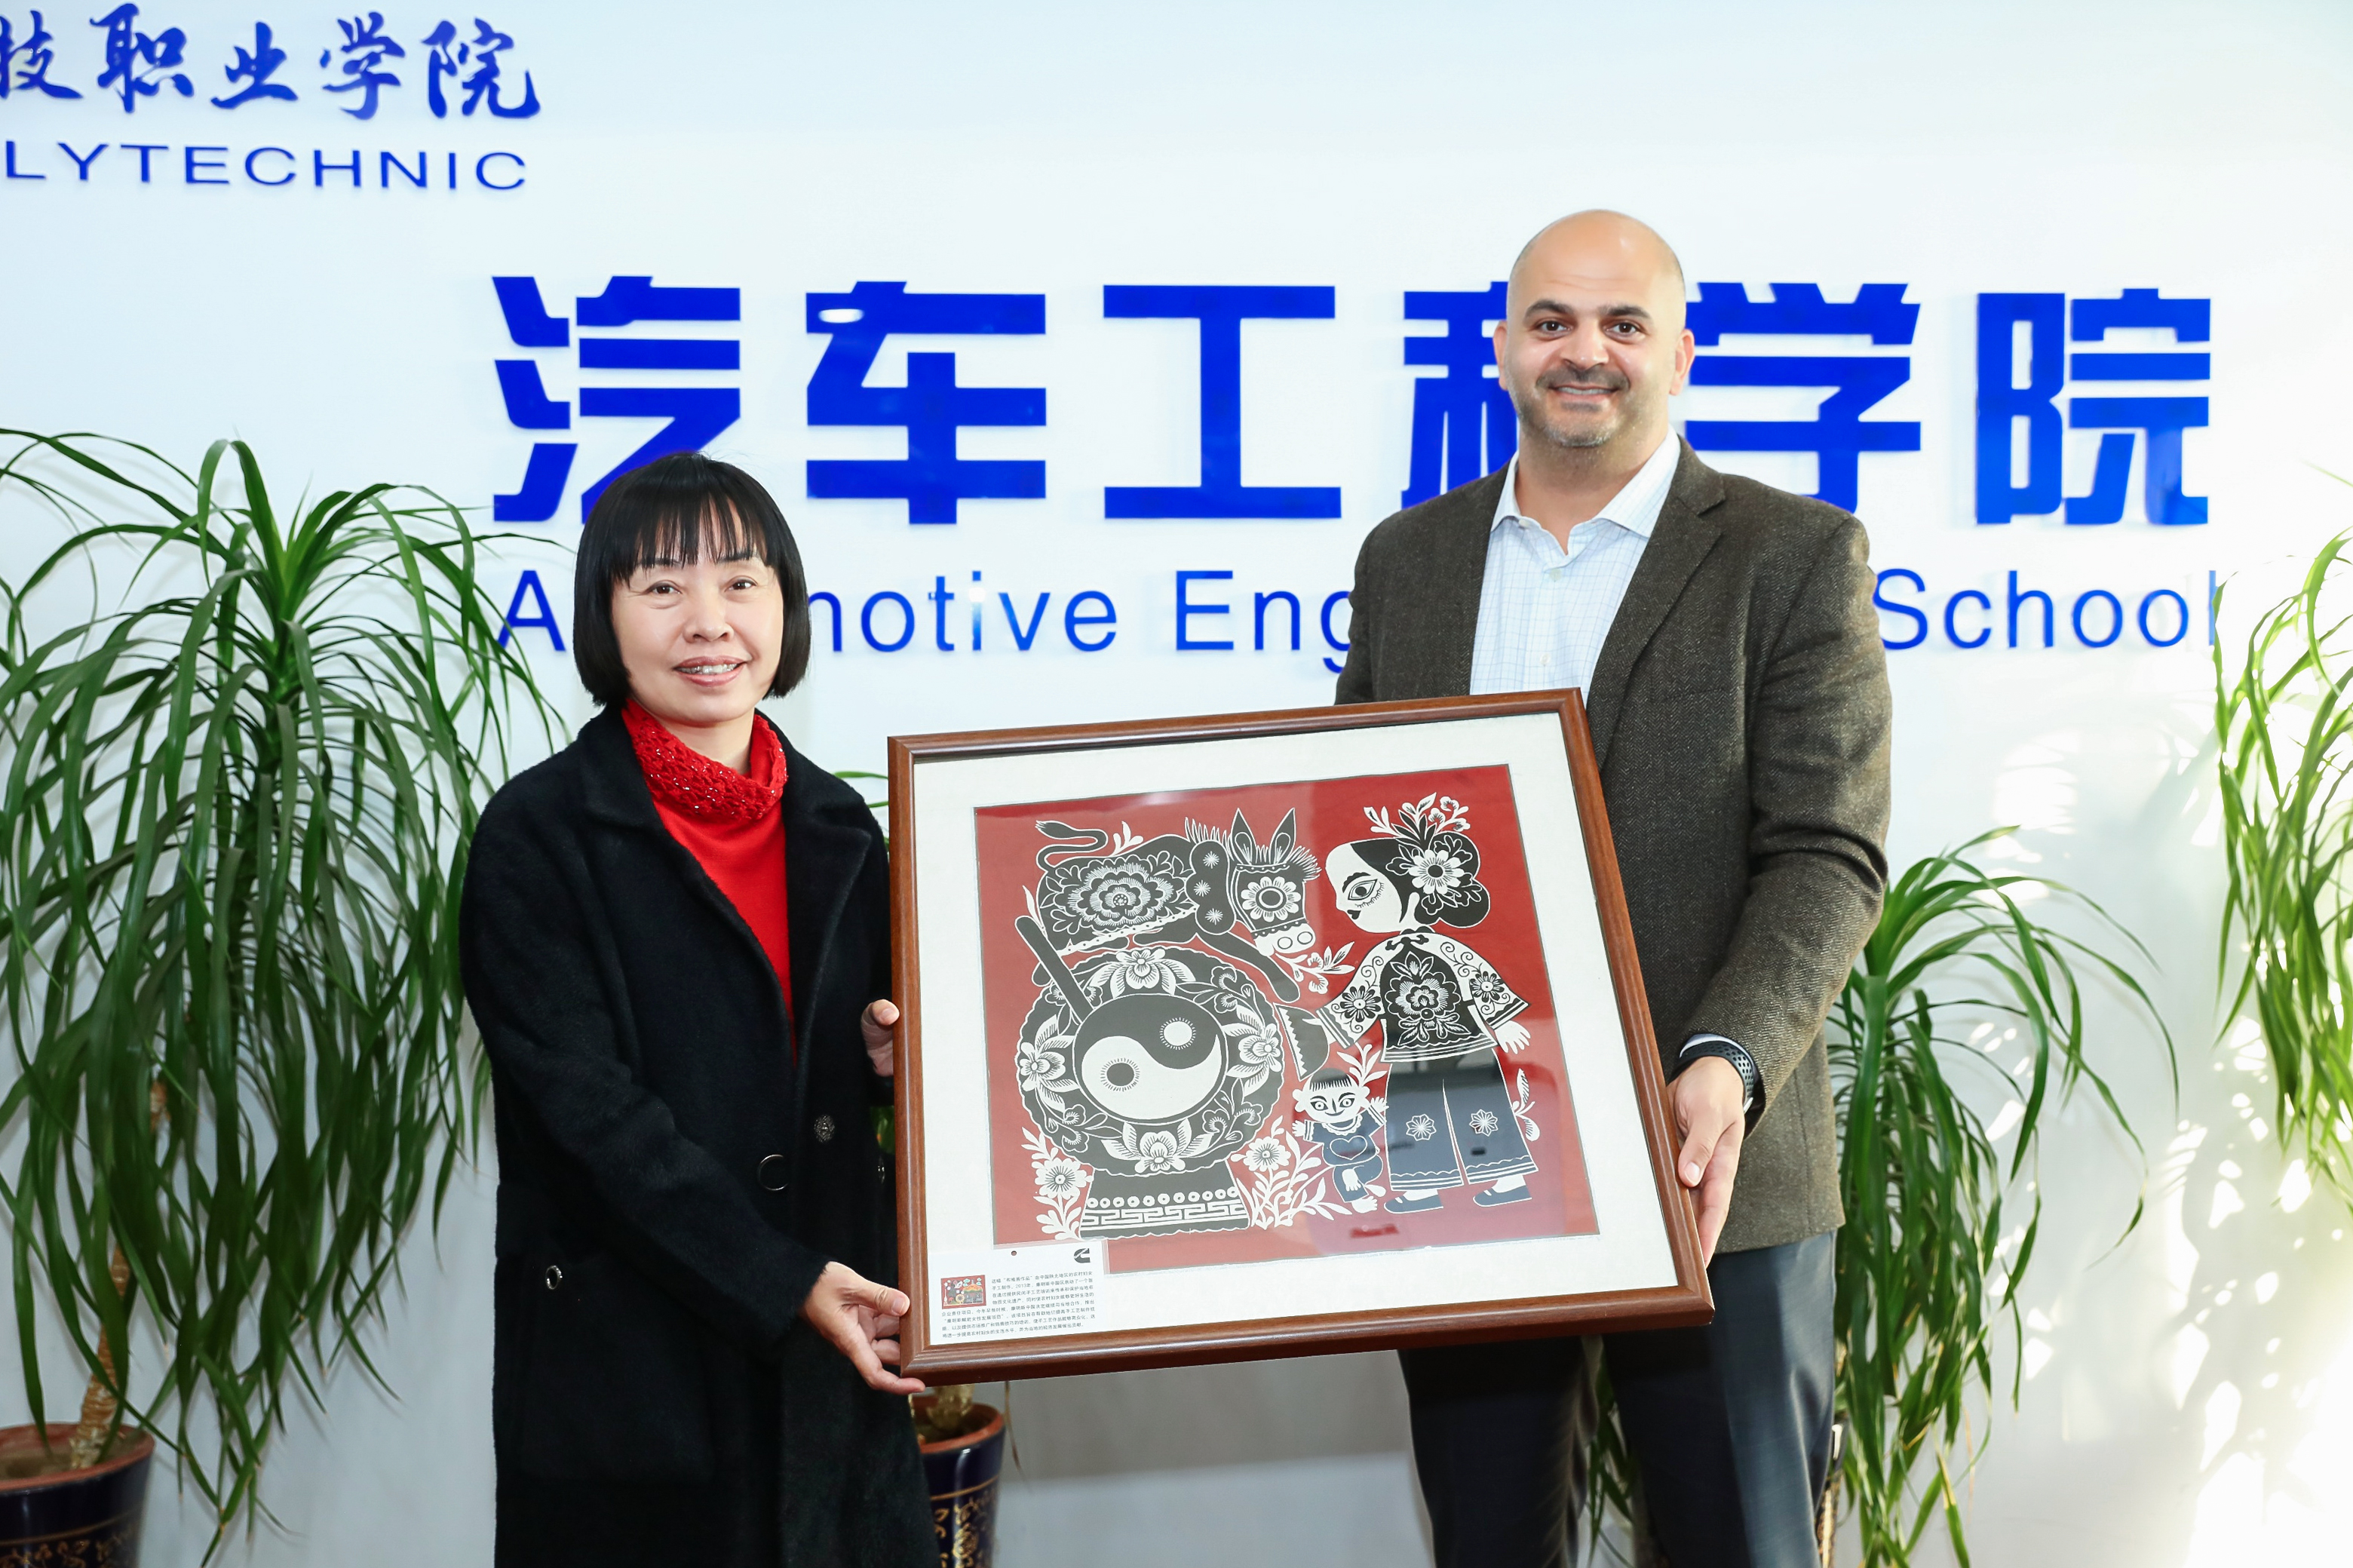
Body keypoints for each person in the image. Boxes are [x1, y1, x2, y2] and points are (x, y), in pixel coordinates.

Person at [1334, 210, 1892, 1566]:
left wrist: (1728, 1062)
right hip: (1468, 1151)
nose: (1584, 352)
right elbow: (1353, 828)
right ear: (1502, 348)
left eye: (1623, 323)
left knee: (1740, 1542)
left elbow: (1827, 850)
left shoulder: (1791, 553)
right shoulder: (1409, 558)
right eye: (1552, 322)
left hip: (1715, 1164)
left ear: (1680, 353)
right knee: (1486, 1540)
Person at [459, 453, 934, 1566]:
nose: (709, 621)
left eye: (741, 581)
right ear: (606, 617)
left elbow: (856, 1072)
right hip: (636, 1371)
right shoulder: (537, 836)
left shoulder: (843, 826)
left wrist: (887, 1066)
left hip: (831, 1365)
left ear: (785, 607)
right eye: (663, 587)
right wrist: (783, 1282)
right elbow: (590, 1120)